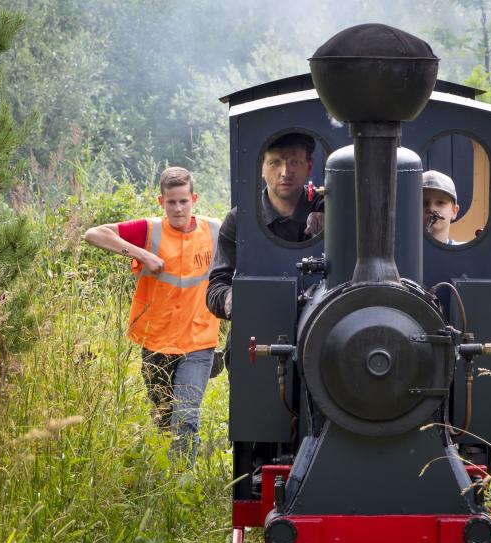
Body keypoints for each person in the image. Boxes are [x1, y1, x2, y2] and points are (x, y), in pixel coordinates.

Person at [83, 167, 221, 462]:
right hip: (155, 339)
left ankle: (182, 479)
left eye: (184, 201)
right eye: (171, 202)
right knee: (163, 419)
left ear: (194, 198)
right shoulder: (150, 230)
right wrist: (140, 253)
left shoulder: (214, 230)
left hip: (198, 341)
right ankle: (166, 482)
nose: (178, 208)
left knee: (186, 418)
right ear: (161, 202)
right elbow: (93, 234)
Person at [206, 132, 324, 320]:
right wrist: (232, 299)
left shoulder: (330, 210)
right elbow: (215, 288)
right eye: (275, 162)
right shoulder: (239, 219)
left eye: (294, 162)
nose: (285, 172)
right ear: (261, 167)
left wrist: (332, 222)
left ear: (309, 167)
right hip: (258, 326)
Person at [422, 170, 462, 245]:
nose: (431, 208)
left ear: (454, 211)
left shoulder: (464, 255)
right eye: (424, 203)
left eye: (440, 203)